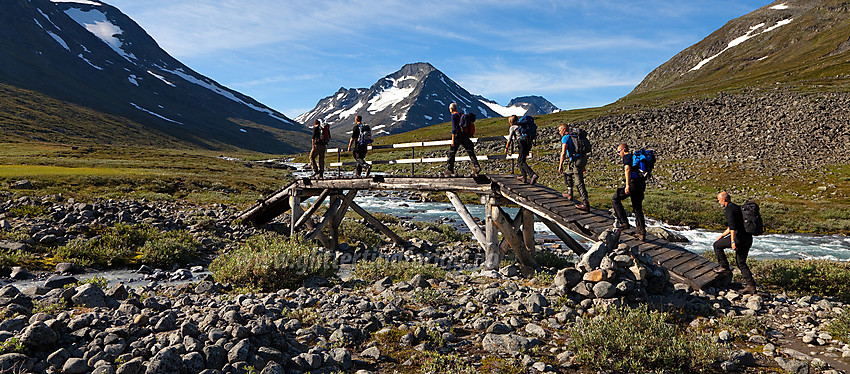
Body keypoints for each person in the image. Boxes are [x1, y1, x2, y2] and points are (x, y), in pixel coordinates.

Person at [713, 191, 757, 294]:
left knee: (717, 245)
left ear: (724, 199)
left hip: (739, 238)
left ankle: (724, 267)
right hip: (747, 238)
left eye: (719, 200)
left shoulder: (729, 209)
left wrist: (732, 241)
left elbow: (732, 228)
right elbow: (733, 226)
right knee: (741, 262)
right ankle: (751, 286)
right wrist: (722, 235)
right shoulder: (737, 207)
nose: (719, 202)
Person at [611, 143, 646, 241]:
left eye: (619, 152)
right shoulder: (636, 157)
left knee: (615, 199)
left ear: (623, 150)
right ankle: (641, 233)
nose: (619, 154)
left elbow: (627, 169)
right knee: (637, 208)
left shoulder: (627, 156)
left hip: (633, 184)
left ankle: (624, 223)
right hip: (641, 184)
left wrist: (627, 185)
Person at [558, 124, 589, 212]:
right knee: (567, 173)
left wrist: (560, 165)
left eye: (560, 130)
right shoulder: (575, 136)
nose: (559, 133)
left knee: (579, 181)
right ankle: (569, 192)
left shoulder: (566, 138)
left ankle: (585, 203)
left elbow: (563, 152)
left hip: (576, 160)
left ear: (564, 130)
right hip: (581, 159)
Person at [445, 103, 481, 176]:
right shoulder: (461, 115)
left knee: (452, 153)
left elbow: (454, 129)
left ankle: (450, 170)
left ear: (451, 109)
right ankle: (476, 166)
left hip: (457, 136)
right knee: (470, 151)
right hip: (464, 136)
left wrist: (452, 140)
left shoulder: (454, 116)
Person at [505, 115, 538, 184]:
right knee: (522, 160)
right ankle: (524, 176)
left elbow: (509, 139)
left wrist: (506, 148)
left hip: (522, 143)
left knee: (521, 161)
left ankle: (532, 174)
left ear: (511, 122)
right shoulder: (522, 126)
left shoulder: (512, 127)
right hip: (529, 142)